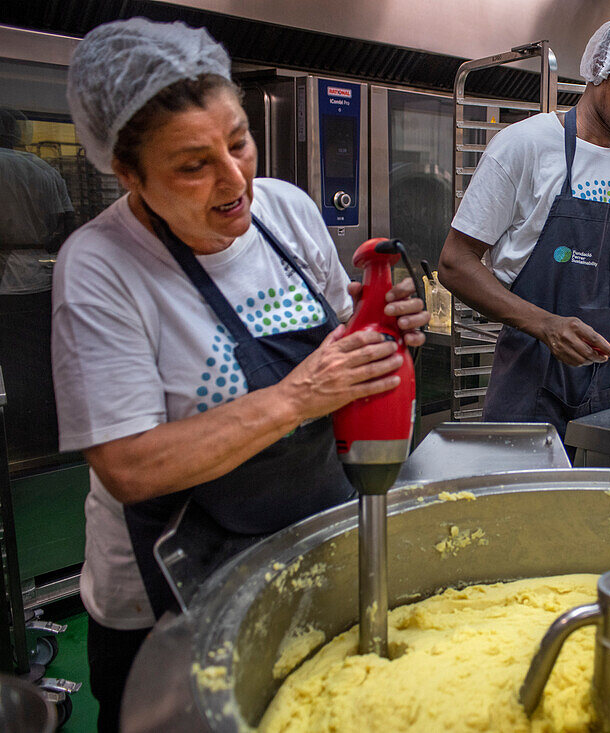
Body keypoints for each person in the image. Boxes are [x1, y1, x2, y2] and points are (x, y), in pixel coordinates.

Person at [54, 18, 427, 731]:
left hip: (305, 544)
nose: (234, 181)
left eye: (239, 142)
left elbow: (331, 348)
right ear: (126, 173)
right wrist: (296, 396)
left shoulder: (284, 210)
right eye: (193, 165)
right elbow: (129, 465)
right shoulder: (101, 266)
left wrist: (378, 326)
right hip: (172, 593)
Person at [438, 13, 610, 437]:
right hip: (532, 387)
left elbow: (601, 286)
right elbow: (456, 263)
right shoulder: (524, 147)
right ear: (600, 69)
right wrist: (547, 327)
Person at [0, 108, 75, 460]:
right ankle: (42, 440)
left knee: (13, 371)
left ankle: (17, 439)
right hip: (38, 276)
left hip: (7, 282)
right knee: (37, 364)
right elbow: (67, 225)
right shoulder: (42, 170)